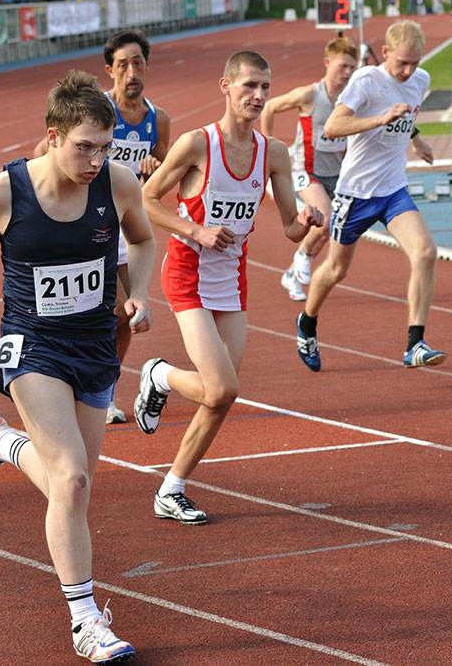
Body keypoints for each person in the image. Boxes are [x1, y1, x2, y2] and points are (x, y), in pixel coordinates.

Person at [0, 70, 155, 663]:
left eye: (104, 147)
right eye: (83, 146)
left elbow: (141, 240)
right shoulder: (2, 193)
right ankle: (84, 619)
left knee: (74, 488)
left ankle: (1, 445)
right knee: (72, 480)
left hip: (95, 347)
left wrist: (138, 291)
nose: (95, 159)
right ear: (53, 135)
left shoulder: (116, 184)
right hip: (31, 346)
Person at [137, 51, 324, 524]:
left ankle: (171, 488)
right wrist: (195, 230)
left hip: (231, 281)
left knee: (222, 397)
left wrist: (307, 222)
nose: (258, 96)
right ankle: (158, 375)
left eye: (265, 87)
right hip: (187, 275)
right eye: (249, 86)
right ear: (225, 87)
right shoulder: (197, 144)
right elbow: (145, 200)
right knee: (221, 387)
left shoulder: (272, 153)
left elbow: (288, 228)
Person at [35, 29, 170, 425]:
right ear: (109, 69)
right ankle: (77, 386)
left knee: (127, 314)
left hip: (127, 223)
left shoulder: (158, 119)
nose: (132, 71)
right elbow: (44, 153)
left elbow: (163, 173)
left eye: (138, 62)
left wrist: (155, 167)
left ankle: (104, 390)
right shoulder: (94, 112)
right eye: (123, 64)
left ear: (147, 66)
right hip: (88, 220)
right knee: (101, 310)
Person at [295, 20, 446, 372]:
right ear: (386, 53)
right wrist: (379, 119)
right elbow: (333, 126)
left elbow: (406, 114)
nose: (409, 71)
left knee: (426, 252)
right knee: (336, 270)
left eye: (415, 62)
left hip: (393, 189)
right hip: (356, 193)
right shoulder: (366, 81)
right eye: (402, 63)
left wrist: (416, 139)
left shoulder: (419, 81)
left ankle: (414, 344)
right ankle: (306, 322)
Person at [260, 36, 359, 302]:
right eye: (342, 66)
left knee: (332, 228)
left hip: (338, 175)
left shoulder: (352, 99)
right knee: (325, 219)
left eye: (352, 67)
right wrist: (268, 147)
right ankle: (302, 258)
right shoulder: (309, 95)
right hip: (307, 171)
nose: (347, 73)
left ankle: (292, 273)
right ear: (327, 63)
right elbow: (270, 107)